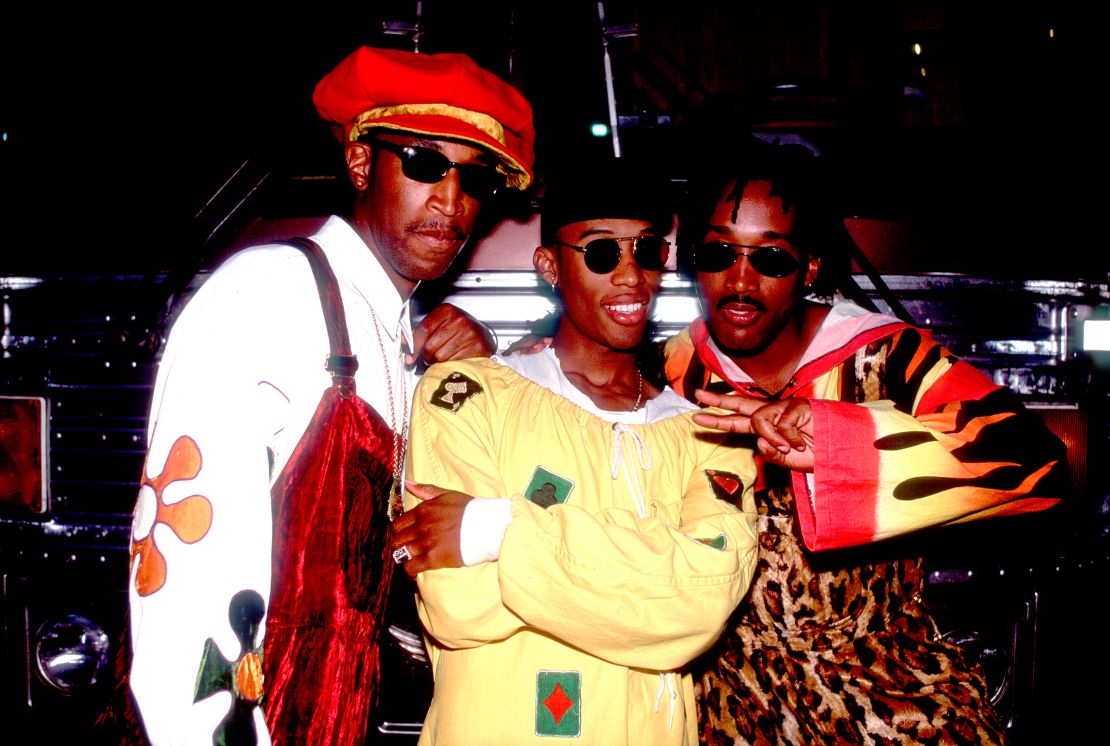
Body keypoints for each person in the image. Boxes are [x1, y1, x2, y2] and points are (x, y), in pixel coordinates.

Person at [125, 46, 535, 745]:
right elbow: (183, 580)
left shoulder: (398, 334)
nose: (451, 200)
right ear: (359, 164)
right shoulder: (270, 294)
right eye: (425, 164)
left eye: (474, 180)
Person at [662, 138, 1071, 744]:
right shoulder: (670, 367)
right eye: (718, 252)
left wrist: (837, 444)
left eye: (770, 259)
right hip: (721, 702)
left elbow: (1038, 468)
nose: (740, 281)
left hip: (882, 693)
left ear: (811, 268)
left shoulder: (889, 355)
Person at [388, 159, 760, 745]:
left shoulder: (708, 434)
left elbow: (706, 597)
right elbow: (458, 602)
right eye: (602, 253)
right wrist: (649, 576)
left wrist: (495, 526)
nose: (632, 277)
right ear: (549, 265)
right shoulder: (466, 396)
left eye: (648, 251)